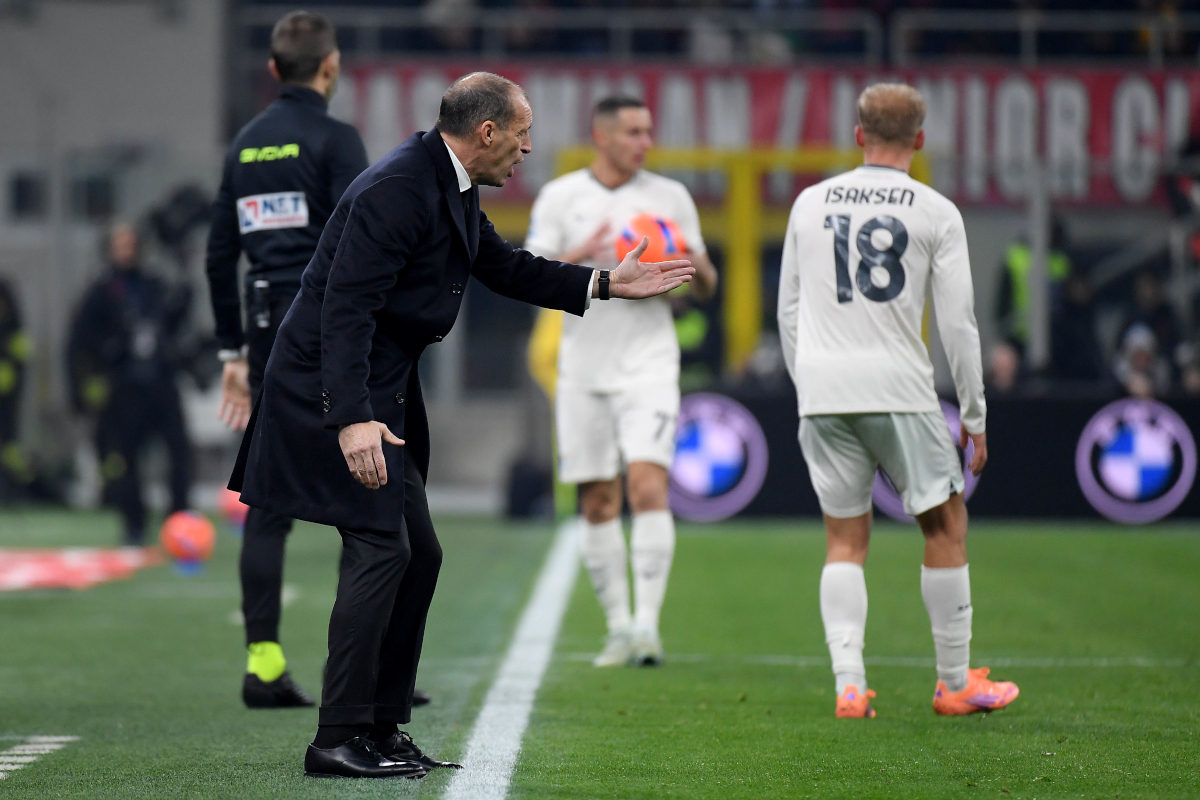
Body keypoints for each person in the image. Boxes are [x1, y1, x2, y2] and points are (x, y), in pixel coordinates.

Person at [229, 72, 694, 779]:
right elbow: (343, 309)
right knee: (381, 549)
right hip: (333, 390)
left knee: (419, 553)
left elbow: (502, 266)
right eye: (522, 132)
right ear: (486, 132)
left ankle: (381, 728)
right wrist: (351, 419)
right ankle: (337, 737)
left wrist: (602, 283)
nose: (528, 147)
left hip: (376, 387)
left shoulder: (447, 181)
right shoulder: (399, 187)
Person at [777, 83, 1019, 719]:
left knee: (843, 540)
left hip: (824, 391)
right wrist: (974, 415)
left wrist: (811, 388)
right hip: (900, 391)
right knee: (944, 524)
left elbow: (789, 311)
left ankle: (849, 685)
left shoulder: (809, 204)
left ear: (857, 134)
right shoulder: (935, 211)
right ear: (920, 138)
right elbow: (959, 324)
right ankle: (955, 681)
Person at [206, 10, 382, 711]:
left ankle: (263, 664)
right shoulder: (336, 140)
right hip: (327, 328)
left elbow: (220, 255)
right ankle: (371, 675)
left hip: (262, 327)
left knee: (267, 505)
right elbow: (366, 243)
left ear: (274, 70)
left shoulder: (245, 146)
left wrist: (231, 352)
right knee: (373, 499)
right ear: (330, 68)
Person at [523, 96, 718, 668]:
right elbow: (531, 275)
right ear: (602, 136)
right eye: (633, 131)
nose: (644, 141)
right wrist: (583, 257)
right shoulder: (562, 197)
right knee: (598, 497)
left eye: (648, 130)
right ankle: (616, 627)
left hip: (650, 364)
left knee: (648, 484)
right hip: (582, 368)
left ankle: (647, 629)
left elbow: (705, 286)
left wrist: (692, 264)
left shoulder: (670, 197)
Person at [68, 223, 192, 545]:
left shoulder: (153, 284)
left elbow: (174, 323)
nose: (127, 251)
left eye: (131, 244)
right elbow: (80, 341)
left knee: (178, 451)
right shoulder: (101, 290)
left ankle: (180, 522)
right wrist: (85, 387)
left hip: (161, 383)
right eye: (120, 244)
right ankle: (134, 525)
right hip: (124, 387)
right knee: (126, 459)